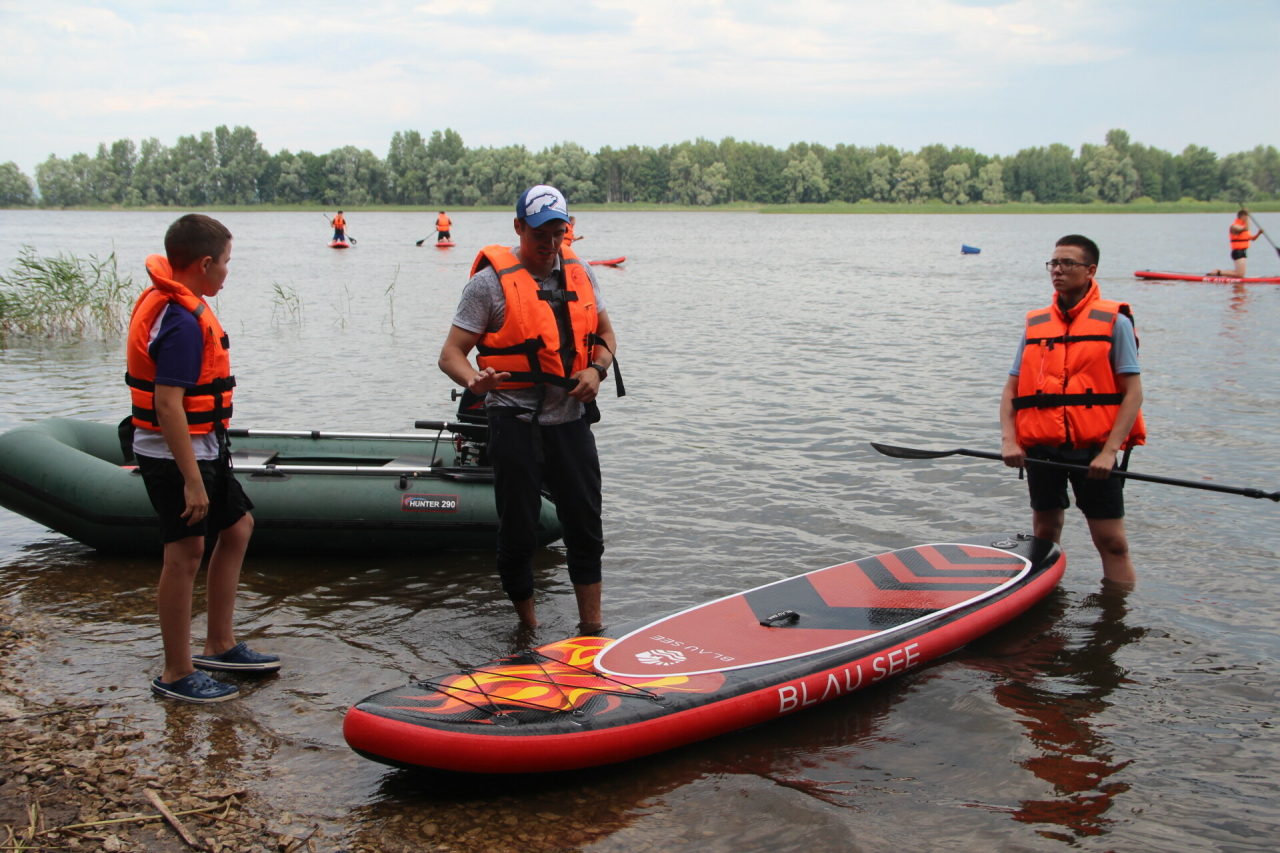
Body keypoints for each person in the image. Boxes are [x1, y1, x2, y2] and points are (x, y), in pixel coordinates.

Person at [438, 185, 619, 632]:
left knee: (586, 530)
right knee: (518, 535)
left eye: (559, 232)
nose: (550, 243)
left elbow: (607, 337)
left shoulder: (581, 275)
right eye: (540, 232)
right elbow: (451, 354)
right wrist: (473, 380)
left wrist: (596, 370)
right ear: (518, 227)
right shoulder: (488, 286)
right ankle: (528, 632)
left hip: (571, 423)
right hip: (514, 423)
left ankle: (592, 632)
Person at [125, 213, 278, 703]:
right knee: (185, 553)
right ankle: (176, 673)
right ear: (206, 263)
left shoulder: (183, 308)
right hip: (175, 456)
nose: (228, 272)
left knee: (237, 527)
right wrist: (192, 480)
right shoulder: (182, 323)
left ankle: (219, 643)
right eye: (227, 262)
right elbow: (168, 403)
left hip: (204, 446)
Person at [999, 234, 1145, 588]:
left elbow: (1133, 394)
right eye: (1054, 263)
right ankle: (1041, 598)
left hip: (1096, 454)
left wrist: (1110, 452)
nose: (1058, 271)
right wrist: (1009, 441)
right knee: (1044, 533)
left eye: (1068, 264)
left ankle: (1117, 617)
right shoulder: (1036, 323)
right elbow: (1011, 391)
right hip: (1042, 450)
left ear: (1090, 270)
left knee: (1112, 541)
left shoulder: (1115, 322)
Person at [1209, 208, 1263, 278]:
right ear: (1242, 217)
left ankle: (1219, 272)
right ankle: (1218, 272)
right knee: (1239, 274)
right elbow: (1246, 228)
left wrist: (1259, 233)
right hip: (1237, 252)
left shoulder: (1243, 226)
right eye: (1246, 216)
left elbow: (1252, 239)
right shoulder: (1234, 226)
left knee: (1240, 274)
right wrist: (1248, 216)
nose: (1248, 218)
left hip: (1243, 251)